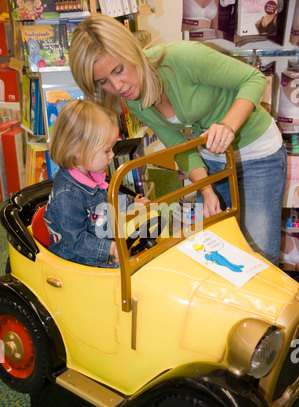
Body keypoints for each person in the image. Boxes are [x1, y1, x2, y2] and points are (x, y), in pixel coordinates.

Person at [69, 14, 287, 266]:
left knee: (260, 256)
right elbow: (179, 147)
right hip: (213, 162)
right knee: (217, 253)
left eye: (119, 70)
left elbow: (254, 79)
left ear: (131, 51)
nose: (117, 86)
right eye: (103, 81)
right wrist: (206, 188)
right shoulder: (132, 98)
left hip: (260, 155)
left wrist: (228, 125)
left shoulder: (182, 58)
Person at [43, 99, 148, 267]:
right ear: (77, 152)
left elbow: (105, 196)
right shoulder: (68, 195)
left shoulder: (91, 173)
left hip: (100, 243)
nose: (112, 155)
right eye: (106, 150)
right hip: (78, 260)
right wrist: (109, 248)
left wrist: (130, 203)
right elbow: (76, 241)